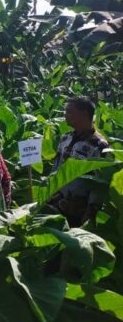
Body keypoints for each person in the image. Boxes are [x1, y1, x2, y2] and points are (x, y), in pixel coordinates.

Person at [49, 97, 110, 226]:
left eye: (69, 111)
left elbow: (99, 182)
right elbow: (56, 166)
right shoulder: (65, 137)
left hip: (77, 209)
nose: (65, 114)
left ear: (84, 114)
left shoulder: (99, 145)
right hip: (55, 202)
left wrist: (91, 210)